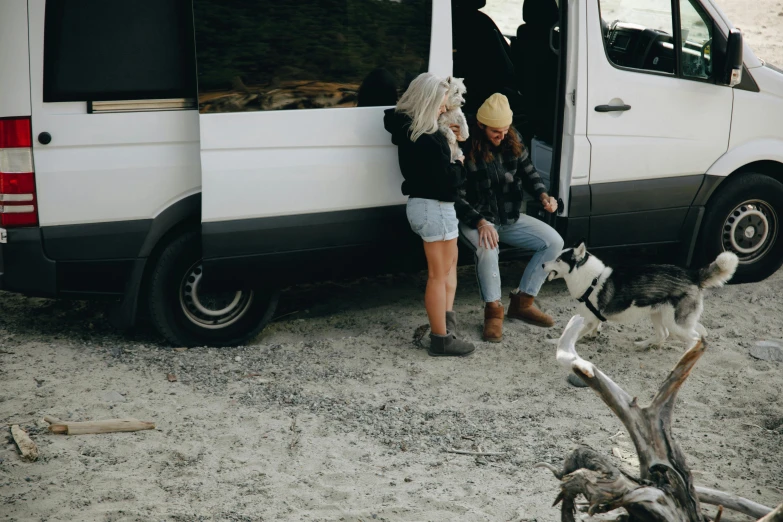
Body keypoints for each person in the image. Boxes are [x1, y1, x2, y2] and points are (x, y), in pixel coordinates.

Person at [455, 93, 563, 342]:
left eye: (505, 130)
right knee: (488, 247)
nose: (501, 136)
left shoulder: (512, 136)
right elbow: (455, 196)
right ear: (481, 126)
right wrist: (481, 222)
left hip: (510, 218)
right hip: (476, 219)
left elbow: (529, 172)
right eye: (496, 132)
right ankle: (493, 312)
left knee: (553, 242)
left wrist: (544, 196)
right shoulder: (464, 143)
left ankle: (523, 303)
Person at [383, 73, 476, 357]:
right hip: (434, 205)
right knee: (439, 274)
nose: (444, 109)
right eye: (440, 104)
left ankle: (446, 326)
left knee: (448, 268)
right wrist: (459, 161)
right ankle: (441, 339)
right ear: (428, 101)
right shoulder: (426, 137)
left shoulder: (414, 131)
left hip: (429, 206)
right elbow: (448, 180)